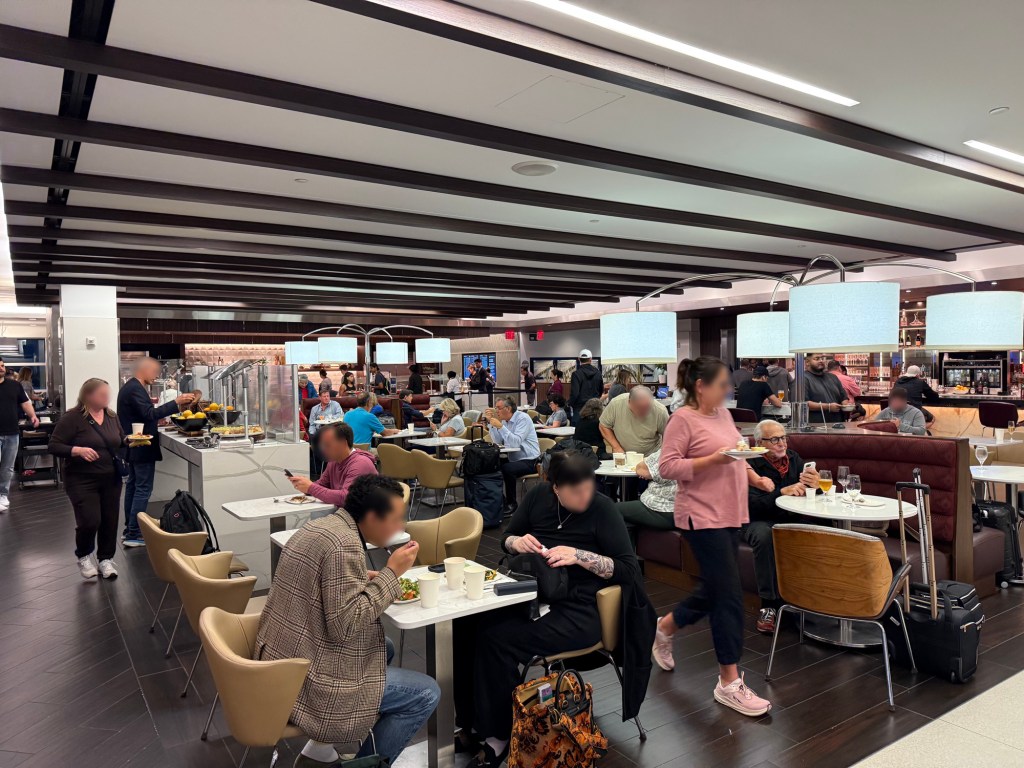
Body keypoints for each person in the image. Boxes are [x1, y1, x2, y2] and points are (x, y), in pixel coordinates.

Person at [453, 451, 651, 767]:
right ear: (555, 487)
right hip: (534, 594)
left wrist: (579, 556)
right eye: (575, 491)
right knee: (464, 623)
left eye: (588, 488)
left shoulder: (602, 509)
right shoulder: (537, 498)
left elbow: (629, 569)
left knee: (496, 638)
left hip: (582, 609)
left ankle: (499, 734)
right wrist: (516, 543)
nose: (585, 496)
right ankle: (471, 722)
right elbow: (507, 537)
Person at [255, 475, 439, 767]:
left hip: (278, 659)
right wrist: (392, 574)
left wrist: (360, 577)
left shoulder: (323, 527)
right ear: (371, 517)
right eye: (396, 519)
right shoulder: (345, 545)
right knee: (426, 693)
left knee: (385, 647)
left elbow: (321, 581)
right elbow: (346, 626)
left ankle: (319, 749)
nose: (401, 527)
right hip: (306, 681)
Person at [654, 356, 772, 717]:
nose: (728, 390)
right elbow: (667, 467)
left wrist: (756, 478)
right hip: (700, 514)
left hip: (730, 510)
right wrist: (713, 460)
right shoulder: (682, 419)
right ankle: (728, 681)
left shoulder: (722, 414)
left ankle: (666, 626)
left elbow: (738, 452)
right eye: (722, 384)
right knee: (730, 596)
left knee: (718, 588)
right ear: (700, 386)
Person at [743, 419, 821, 634]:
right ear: (759, 443)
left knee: (820, 528)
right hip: (756, 519)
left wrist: (816, 486)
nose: (782, 443)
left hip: (789, 517)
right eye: (775, 439)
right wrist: (781, 492)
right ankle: (768, 606)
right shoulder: (749, 464)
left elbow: (811, 492)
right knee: (765, 536)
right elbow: (751, 505)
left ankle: (816, 599)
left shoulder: (794, 459)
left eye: (784, 438)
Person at [49, 378, 125, 580]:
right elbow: (54, 446)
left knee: (110, 520)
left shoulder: (111, 416)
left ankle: (105, 559)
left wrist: (131, 441)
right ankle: (83, 555)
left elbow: (119, 441)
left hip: (111, 478)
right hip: (81, 479)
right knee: (90, 521)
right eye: (102, 394)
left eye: (108, 394)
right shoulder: (72, 418)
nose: (107, 398)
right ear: (88, 396)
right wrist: (77, 450)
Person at [117, 357, 193, 547]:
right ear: (143, 369)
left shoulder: (132, 387)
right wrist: (176, 402)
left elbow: (144, 414)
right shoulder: (134, 388)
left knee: (133, 487)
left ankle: (130, 529)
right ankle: (134, 533)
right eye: (154, 371)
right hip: (141, 445)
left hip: (135, 445)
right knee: (142, 489)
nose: (157, 375)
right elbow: (149, 414)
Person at [289, 422, 378, 513]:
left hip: (365, 518)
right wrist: (304, 485)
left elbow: (346, 498)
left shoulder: (360, 464)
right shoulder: (334, 461)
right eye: (323, 445)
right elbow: (322, 484)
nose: (323, 449)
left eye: (327, 445)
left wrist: (311, 488)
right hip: (345, 514)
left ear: (343, 443)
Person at [485, 396, 541, 512]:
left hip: (531, 459)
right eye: (495, 408)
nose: (496, 411)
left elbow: (516, 442)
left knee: (507, 469)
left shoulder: (523, 418)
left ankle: (512, 504)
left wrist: (500, 427)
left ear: (508, 408)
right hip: (514, 457)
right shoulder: (505, 421)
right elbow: (498, 441)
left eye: (499, 408)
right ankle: (500, 501)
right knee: (489, 465)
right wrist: (492, 424)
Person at [0, 358, 38, 511]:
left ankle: (3, 495)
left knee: (7, 467)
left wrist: (33, 415)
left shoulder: (15, 385)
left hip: (12, 432)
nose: (1, 368)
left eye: (2, 365)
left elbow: (25, 402)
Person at [617, 448, 677, 545]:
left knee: (611, 510)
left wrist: (647, 470)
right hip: (693, 510)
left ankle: (626, 553)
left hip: (665, 509)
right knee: (627, 519)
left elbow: (642, 469)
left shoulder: (673, 449)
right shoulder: (701, 450)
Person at [599, 386, 669, 456]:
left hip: (650, 456)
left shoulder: (660, 411)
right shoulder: (616, 403)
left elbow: (669, 436)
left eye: (648, 407)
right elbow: (604, 425)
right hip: (623, 455)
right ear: (629, 402)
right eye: (640, 408)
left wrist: (662, 454)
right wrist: (616, 447)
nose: (645, 411)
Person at [804, 353, 850, 423]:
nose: (821, 361)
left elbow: (843, 397)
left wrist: (846, 406)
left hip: (838, 424)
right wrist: (828, 407)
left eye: (822, 358)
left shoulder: (833, 377)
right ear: (807, 362)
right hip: (816, 425)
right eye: (817, 359)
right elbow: (804, 403)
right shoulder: (803, 379)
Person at [568, 350, 602, 425]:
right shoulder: (598, 373)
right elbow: (600, 391)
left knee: (577, 429)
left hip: (580, 409)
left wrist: (570, 404)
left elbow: (575, 393)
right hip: (594, 408)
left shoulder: (576, 374)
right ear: (590, 359)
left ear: (579, 359)